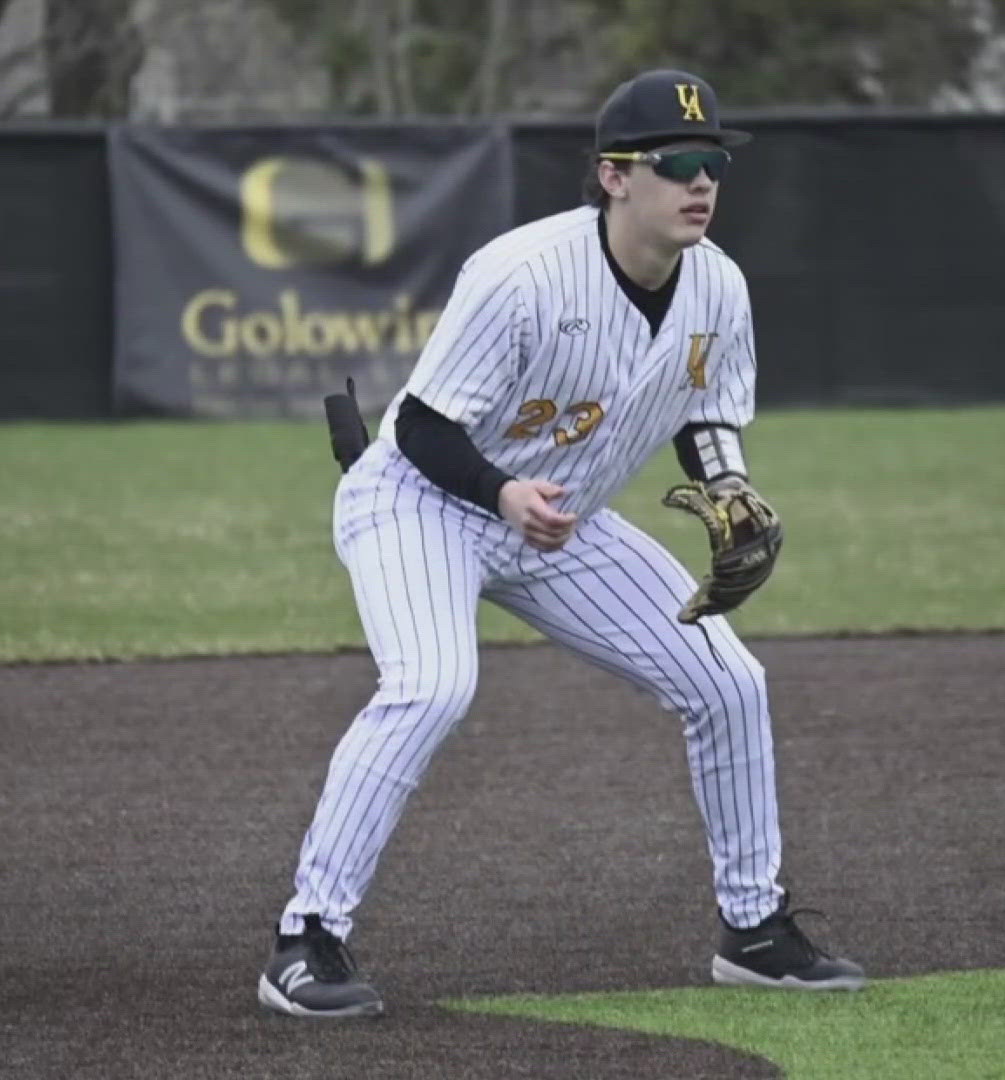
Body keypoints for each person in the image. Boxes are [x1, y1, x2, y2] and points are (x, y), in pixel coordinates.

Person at [258, 68, 865, 1019]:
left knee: (729, 683)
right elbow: (420, 427)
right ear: (615, 176)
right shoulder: (523, 274)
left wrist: (729, 489)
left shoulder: (719, 286)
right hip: (422, 504)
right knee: (432, 686)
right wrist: (501, 493)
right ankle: (308, 938)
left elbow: (706, 412)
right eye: (678, 164)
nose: (702, 183)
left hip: (561, 520)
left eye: (714, 164)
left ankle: (755, 932)